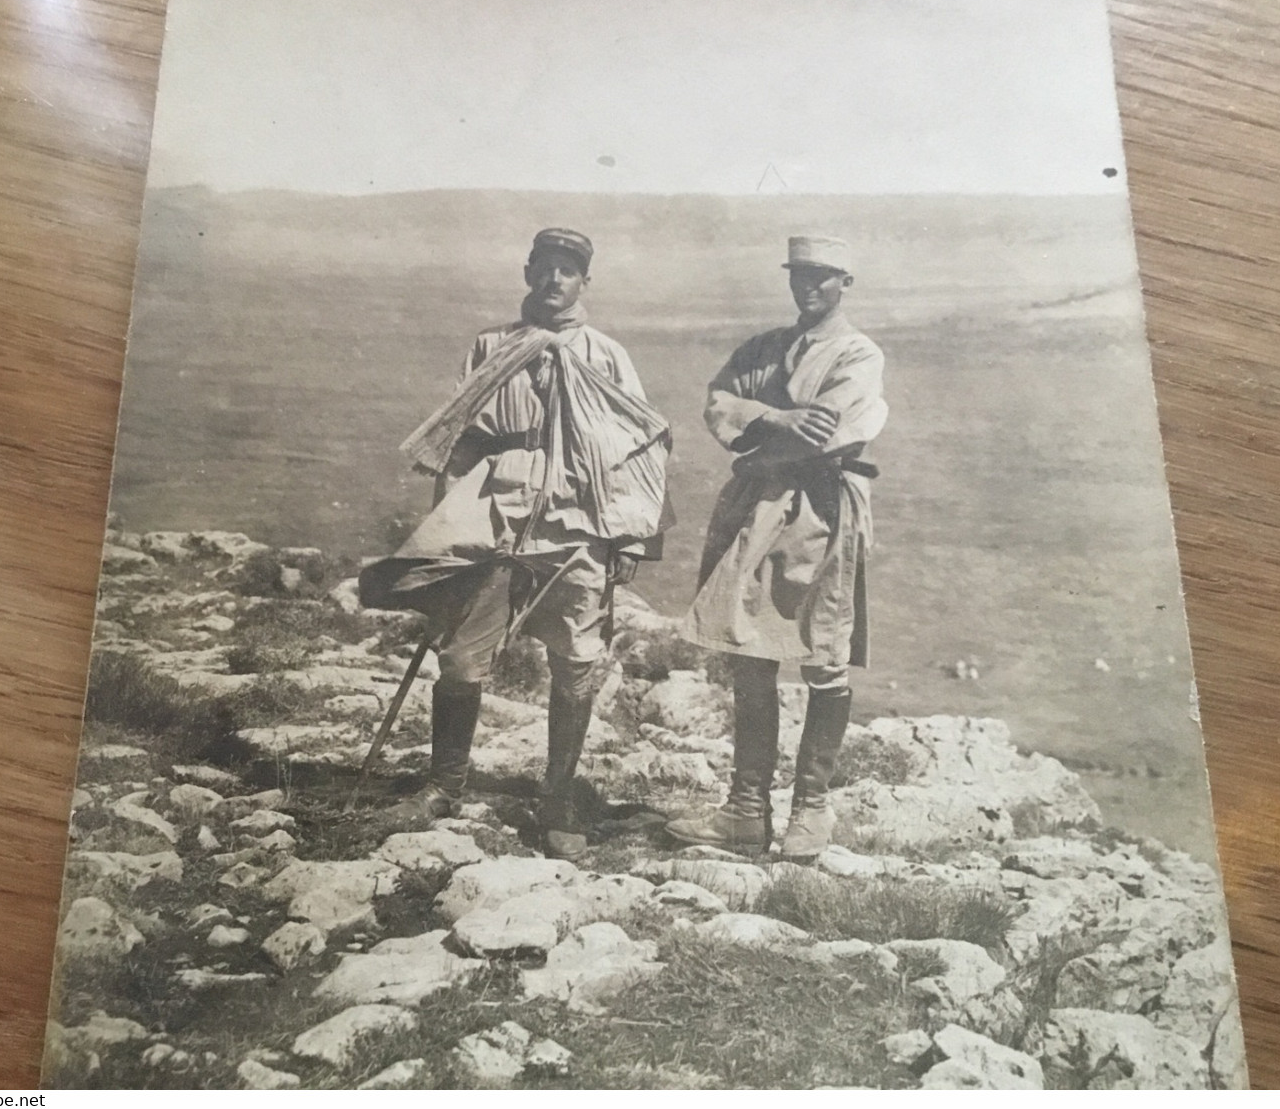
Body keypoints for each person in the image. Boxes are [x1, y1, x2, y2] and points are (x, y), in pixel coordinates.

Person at [360, 228, 671, 859]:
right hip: (496, 507)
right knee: (459, 648)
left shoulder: (607, 355)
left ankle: (557, 801)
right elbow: (460, 431)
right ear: (529, 272)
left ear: (585, 281)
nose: (555, 280)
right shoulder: (492, 345)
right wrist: (450, 512)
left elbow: (641, 444)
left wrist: (633, 537)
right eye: (546, 267)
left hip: (581, 517)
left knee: (577, 659)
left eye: (568, 271)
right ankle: (445, 782)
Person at [666, 234, 887, 860]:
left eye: (823, 277)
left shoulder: (859, 353)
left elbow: (836, 429)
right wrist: (775, 418)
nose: (809, 287)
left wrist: (757, 429)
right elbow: (719, 403)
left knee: (824, 653)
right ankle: (745, 811)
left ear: (846, 281)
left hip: (821, 509)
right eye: (800, 275)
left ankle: (811, 810)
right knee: (748, 651)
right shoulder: (764, 347)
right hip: (756, 509)